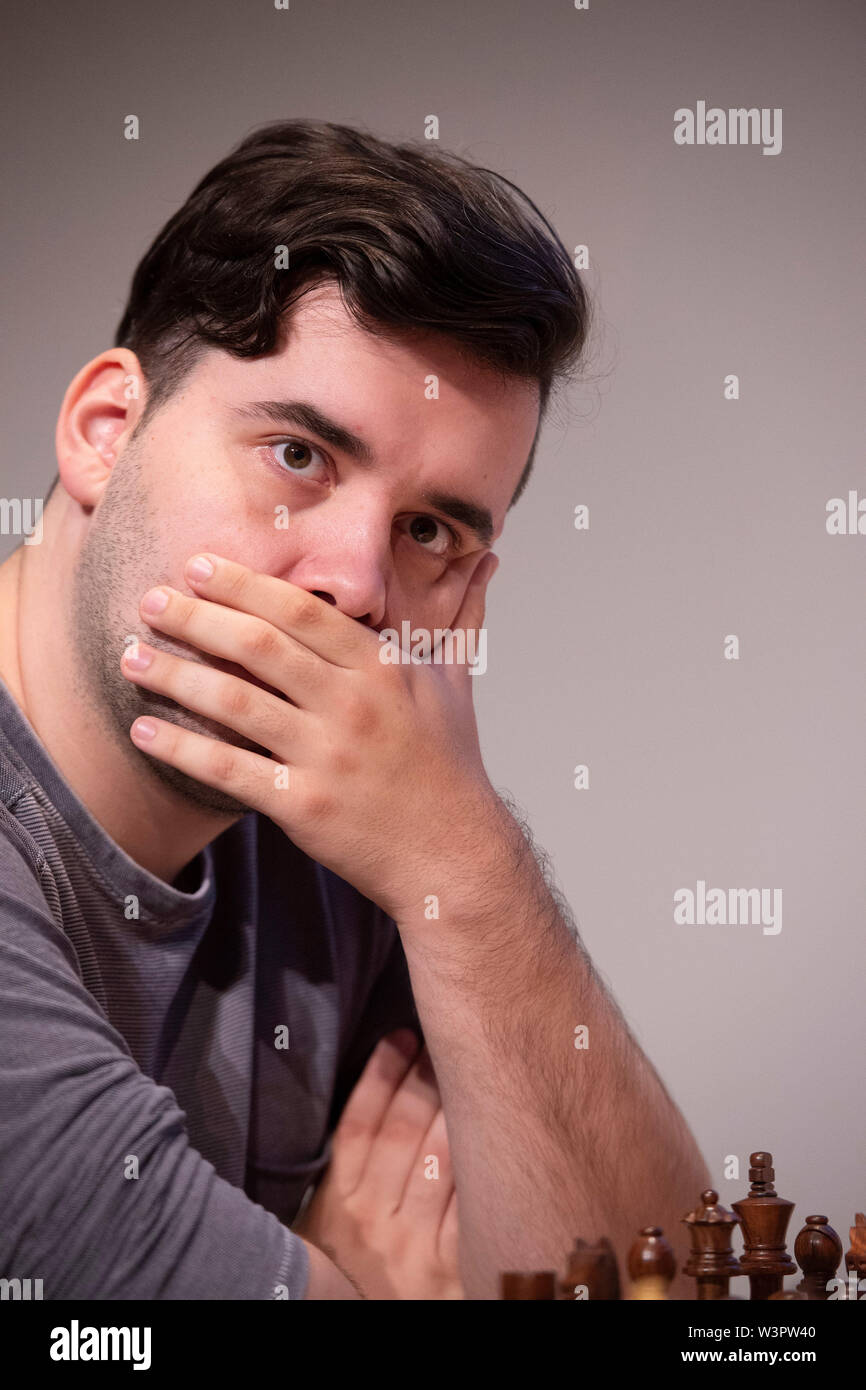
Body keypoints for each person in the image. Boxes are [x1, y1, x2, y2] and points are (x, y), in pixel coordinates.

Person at [0, 119, 710, 1301]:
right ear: (104, 431)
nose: (357, 587)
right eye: (298, 455)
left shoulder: (354, 830)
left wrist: (464, 855)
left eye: (429, 529)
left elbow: (669, 1303)